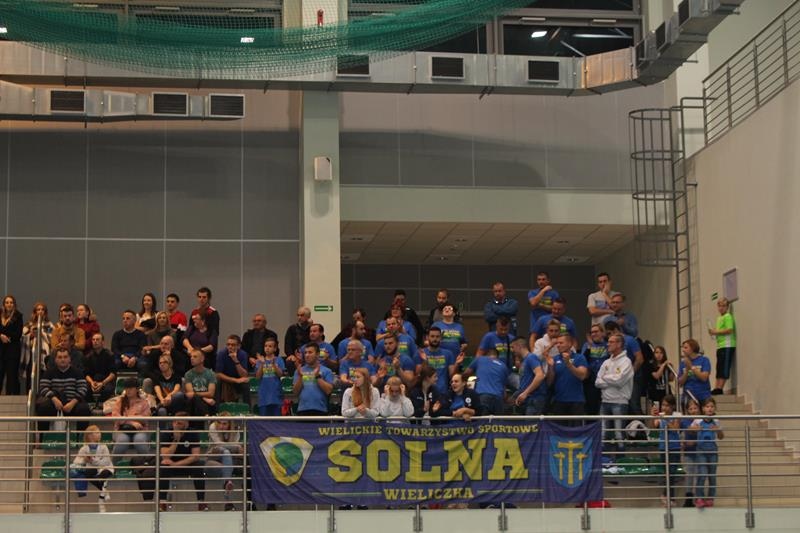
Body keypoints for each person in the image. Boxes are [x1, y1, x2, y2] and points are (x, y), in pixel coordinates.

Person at [35, 347, 92, 431]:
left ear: (69, 359)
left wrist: (72, 403)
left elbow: (83, 388)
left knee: (84, 409)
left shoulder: (78, 372)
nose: (63, 359)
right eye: (60, 357)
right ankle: (42, 437)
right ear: (55, 360)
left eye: (65, 357)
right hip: (54, 402)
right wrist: (54, 399)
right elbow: (43, 387)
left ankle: (81, 437)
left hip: (73, 403)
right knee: (43, 409)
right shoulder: (49, 372)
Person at [159, 414, 206, 512]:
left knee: (198, 466)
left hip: (186, 464)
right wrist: (176, 440)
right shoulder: (166, 433)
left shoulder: (192, 433)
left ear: (186, 424)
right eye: (175, 423)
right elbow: (165, 456)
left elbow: (195, 456)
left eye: (180, 423)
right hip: (170, 464)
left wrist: (176, 465)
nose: (176, 425)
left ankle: (201, 502)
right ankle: (162, 502)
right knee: (163, 466)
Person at [594, 334, 633, 452]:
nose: (608, 344)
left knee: (618, 435)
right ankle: (604, 460)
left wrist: (605, 377)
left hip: (620, 402)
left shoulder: (626, 362)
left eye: (611, 342)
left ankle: (621, 460)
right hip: (605, 401)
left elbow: (619, 381)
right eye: (608, 341)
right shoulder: (606, 362)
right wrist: (612, 379)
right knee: (603, 433)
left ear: (619, 344)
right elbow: (597, 382)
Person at [70, 425, 113, 512]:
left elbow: (107, 461)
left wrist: (94, 461)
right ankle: (104, 491)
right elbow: (76, 461)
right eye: (97, 432)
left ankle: (101, 499)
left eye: (99, 432)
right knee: (88, 474)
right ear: (90, 436)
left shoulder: (104, 447)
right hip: (92, 469)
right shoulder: (84, 448)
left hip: (105, 468)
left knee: (103, 475)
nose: (100, 434)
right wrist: (84, 460)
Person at [548, 333, 588, 424]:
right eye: (557, 343)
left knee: (577, 430)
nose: (558, 345)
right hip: (559, 400)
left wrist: (568, 364)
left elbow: (582, 376)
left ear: (570, 344)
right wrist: (550, 368)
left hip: (576, 400)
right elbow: (549, 382)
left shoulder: (579, 357)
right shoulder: (554, 359)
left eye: (561, 343)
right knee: (559, 430)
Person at [205, 416, 243, 511]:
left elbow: (240, 451)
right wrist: (235, 447)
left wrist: (236, 448)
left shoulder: (235, 431)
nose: (221, 426)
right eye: (219, 423)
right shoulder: (213, 427)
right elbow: (218, 445)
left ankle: (227, 499)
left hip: (228, 463)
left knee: (226, 457)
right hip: (212, 460)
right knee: (226, 452)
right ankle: (227, 486)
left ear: (230, 424)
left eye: (224, 424)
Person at [650, 395, 682, 506]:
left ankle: (667, 495)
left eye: (667, 405)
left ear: (672, 406)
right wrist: (653, 416)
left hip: (675, 447)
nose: (664, 407)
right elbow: (654, 426)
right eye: (663, 405)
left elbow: (675, 428)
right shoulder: (660, 416)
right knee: (667, 473)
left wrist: (665, 420)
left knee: (672, 472)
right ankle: (669, 497)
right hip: (663, 447)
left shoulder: (677, 415)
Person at [692, 397, 724, 508]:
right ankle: (699, 497)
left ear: (714, 408)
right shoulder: (698, 420)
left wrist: (718, 430)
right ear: (703, 408)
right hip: (701, 451)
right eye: (707, 406)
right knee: (702, 474)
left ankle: (710, 498)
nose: (710, 409)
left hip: (713, 451)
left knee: (712, 476)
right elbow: (690, 429)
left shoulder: (716, 421)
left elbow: (721, 436)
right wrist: (695, 429)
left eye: (712, 406)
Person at [111, 377, 151, 460]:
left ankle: (147, 464)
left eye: (130, 388)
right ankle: (112, 465)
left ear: (137, 389)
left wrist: (125, 419)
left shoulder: (144, 402)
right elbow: (115, 416)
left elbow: (145, 418)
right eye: (126, 388)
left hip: (141, 430)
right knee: (122, 440)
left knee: (139, 440)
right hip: (121, 430)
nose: (128, 390)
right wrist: (131, 422)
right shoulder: (119, 401)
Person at [293, 343, 335, 416]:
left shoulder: (327, 371)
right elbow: (295, 392)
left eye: (310, 352)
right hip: (302, 410)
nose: (307, 355)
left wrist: (317, 376)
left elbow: (328, 391)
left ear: (318, 354)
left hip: (321, 410)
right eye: (305, 353)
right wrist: (300, 376)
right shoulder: (299, 370)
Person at [21, 302, 54, 392]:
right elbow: (23, 336)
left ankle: (42, 393)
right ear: (35, 312)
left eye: (42, 309)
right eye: (38, 309)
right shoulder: (29, 324)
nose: (40, 311)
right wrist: (31, 335)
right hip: (31, 352)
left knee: (43, 374)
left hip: (44, 353)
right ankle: (29, 393)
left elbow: (51, 338)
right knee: (31, 373)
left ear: (45, 312)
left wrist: (41, 333)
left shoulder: (49, 324)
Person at [466, 348, 510, 415]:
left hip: (483, 396)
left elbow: (466, 374)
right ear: (498, 357)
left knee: (482, 420)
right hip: (498, 398)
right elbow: (504, 390)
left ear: (486, 355)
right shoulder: (504, 366)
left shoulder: (480, 359)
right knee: (498, 421)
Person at [513, 338, 549, 415]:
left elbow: (540, 375)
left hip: (535, 398)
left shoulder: (531, 357)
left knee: (531, 422)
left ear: (519, 346)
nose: (513, 350)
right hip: (529, 399)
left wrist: (525, 393)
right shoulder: (525, 360)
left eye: (513, 347)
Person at [708, 298, 736, 395]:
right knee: (719, 367)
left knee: (724, 367)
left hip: (727, 345)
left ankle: (720, 388)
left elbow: (729, 330)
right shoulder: (719, 318)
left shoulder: (728, 317)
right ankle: (717, 387)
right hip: (720, 346)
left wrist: (716, 332)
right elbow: (719, 331)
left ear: (727, 307)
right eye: (719, 306)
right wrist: (713, 332)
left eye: (723, 306)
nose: (721, 308)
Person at [418, 327, 456, 396]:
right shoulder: (421, 353)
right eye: (432, 336)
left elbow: (452, 376)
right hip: (425, 392)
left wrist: (457, 363)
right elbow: (418, 375)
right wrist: (424, 361)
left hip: (443, 393)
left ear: (441, 338)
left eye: (437, 336)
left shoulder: (448, 354)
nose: (435, 339)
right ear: (427, 337)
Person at [581, 323, 608, 416]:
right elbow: (583, 360)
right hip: (591, 380)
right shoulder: (586, 345)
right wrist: (590, 346)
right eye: (592, 332)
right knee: (591, 407)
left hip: (606, 379)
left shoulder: (608, 344)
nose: (593, 334)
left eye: (596, 331)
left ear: (602, 333)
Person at [215, 335, 250, 404]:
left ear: (239, 346)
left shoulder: (243, 354)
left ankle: (247, 408)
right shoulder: (221, 354)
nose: (230, 347)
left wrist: (236, 361)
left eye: (233, 345)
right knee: (217, 382)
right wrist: (235, 380)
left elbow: (244, 375)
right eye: (228, 344)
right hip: (225, 379)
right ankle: (217, 408)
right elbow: (218, 374)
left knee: (245, 384)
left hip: (238, 379)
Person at [677, 338, 711, 408]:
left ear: (693, 348)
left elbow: (704, 377)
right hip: (688, 396)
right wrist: (687, 370)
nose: (683, 350)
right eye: (683, 348)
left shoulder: (704, 360)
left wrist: (691, 366)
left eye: (686, 347)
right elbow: (680, 383)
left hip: (703, 396)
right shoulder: (683, 363)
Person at [0, 295, 24, 395]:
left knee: (11, 375)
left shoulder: (18, 316)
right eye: (7, 302)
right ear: (4, 304)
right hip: (1, 349)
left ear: (14, 304)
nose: (9, 304)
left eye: (11, 302)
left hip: (12, 349)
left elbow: (18, 334)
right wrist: (0, 336)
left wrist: (5, 336)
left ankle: (10, 396)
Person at [255, 338, 285, 416]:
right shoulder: (260, 361)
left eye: (270, 346)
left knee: (276, 421)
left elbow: (280, 374)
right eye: (265, 346)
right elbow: (258, 377)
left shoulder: (279, 360)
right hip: (263, 396)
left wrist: (274, 364)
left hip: (276, 396)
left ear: (275, 349)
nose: (267, 348)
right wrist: (262, 363)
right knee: (264, 420)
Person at [84, 333, 116, 404]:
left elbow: (113, 374)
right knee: (85, 389)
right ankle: (90, 406)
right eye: (93, 340)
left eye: (97, 339)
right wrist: (92, 383)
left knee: (107, 390)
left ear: (103, 342)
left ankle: (102, 406)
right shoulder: (88, 356)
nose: (95, 341)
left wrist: (102, 383)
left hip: (106, 381)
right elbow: (86, 374)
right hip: (93, 381)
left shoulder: (110, 355)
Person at [111, 310, 147, 374]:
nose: (125, 320)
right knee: (115, 363)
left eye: (128, 318)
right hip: (121, 356)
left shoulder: (141, 334)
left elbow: (142, 348)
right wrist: (123, 356)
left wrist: (135, 358)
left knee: (143, 364)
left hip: (136, 356)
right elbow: (114, 348)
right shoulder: (117, 334)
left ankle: (141, 380)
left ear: (134, 321)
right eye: (123, 318)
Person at [184, 349, 217, 416]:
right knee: (194, 399)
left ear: (202, 359)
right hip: (194, 403)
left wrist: (198, 396)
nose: (191, 358)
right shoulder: (188, 374)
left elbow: (211, 394)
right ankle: (206, 417)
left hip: (207, 403)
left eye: (195, 356)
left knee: (198, 399)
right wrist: (205, 398)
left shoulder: (211, 374)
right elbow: (191, 394)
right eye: (191, 356)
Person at [681, 399, 701, 508]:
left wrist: (695, 441)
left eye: (695, 408)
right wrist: (683, 442)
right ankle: (688, 498)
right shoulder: (685, 421)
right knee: (689, 475)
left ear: (699, 409)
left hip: (700, 452)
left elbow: (703, 433)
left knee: (698, 474)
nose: (693, 411)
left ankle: (698, 497)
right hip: (688, 452)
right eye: (690, 409)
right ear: (687, 411)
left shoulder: (702, 420)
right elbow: (687, 430)